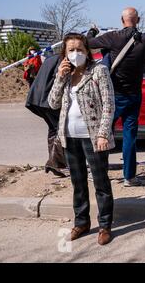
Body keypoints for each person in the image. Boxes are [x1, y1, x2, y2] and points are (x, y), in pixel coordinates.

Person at [48, 33, 115, 246]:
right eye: (71, 50)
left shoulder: (99, 71)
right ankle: (82, 222)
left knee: (101, 182)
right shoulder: (65, 75)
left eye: (79, 49)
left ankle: (105, 225)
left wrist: (103, 133)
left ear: (87, 52)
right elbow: (52, 103)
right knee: (78, 183)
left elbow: (109, 104)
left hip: (94, 137)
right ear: (65, 54)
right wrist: (59, 77)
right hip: (69, 136)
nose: (76, 53)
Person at [87, 7, 145, 187]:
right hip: (134, 94)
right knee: (130, 135)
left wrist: (93, 31)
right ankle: (129, 177)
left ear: (121, 19)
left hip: (114, 95)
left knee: (103, 132)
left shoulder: (113, 37)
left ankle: (97, 172)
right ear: (138, 20)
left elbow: (88, 43)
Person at [26, 54, 67, 177]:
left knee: (53, 129)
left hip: (36, 99)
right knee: (60, 129)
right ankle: (53, 162)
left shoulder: (51, 58)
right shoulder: (63, 60)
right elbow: (59, 79)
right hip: (48, 100)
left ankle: (57, 162)